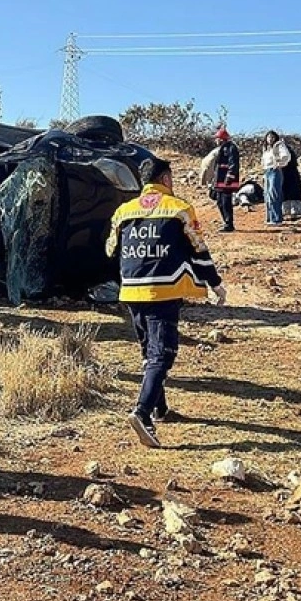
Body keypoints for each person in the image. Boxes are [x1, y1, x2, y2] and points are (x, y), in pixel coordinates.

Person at [106, 157, 225, 448]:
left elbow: (111, 250)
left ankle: (160, 408)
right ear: (166, 179)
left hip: (132, 291)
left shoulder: (123, 211)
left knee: (149, 351)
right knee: (163, 354)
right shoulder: (179, 209)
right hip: (164, 288)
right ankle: (142, 412)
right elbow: (199, 250)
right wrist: (215, 283)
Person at [260, 131, 291, 226]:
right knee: (267, 195)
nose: (270, 139)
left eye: (272, 137)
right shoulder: (266, 148)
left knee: (274, 194)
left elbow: (286, 156)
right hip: (266, 171)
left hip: (275, 171)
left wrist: (279, 164)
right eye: (269, 137)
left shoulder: (279, 145)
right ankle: (270, 218)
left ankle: (277, 219)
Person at [212, 128, 240, 232]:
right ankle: (225, 222)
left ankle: (229, 224)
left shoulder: (231, 148)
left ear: (222, 138)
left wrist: (230, 177)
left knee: (225, 202)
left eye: (217, 138)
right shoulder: (221, 148)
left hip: (226, 180)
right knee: (220, 201)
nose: (216, 140)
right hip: (220, 179)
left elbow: (234, 164)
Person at [281, 143, 301, 221]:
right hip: (291, 176)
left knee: (288, 194)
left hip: (286, 175)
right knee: (292, 193)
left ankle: (289, 213)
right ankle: (295, 212)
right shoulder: (291, 156)